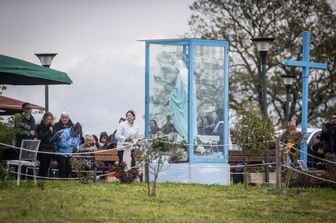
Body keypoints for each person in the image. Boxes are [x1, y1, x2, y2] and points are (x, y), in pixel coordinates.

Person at [37, 112, 55, 177]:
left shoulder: (52, 127)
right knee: (43, 165)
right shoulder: (40, 126)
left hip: (50, 149)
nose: (50, 121)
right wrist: (49, 131)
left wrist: (57, 136)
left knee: (47, 165)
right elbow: (40, 136)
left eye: (51, 119)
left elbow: (53, 137)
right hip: (42, 149)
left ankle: (45, 178)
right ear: (45, 119)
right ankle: (40, 178)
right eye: (48, 119)